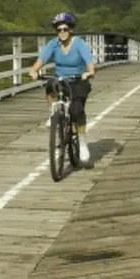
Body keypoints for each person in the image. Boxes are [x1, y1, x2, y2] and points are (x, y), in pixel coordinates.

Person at [28, 11, 98, 165]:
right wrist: (34, 70)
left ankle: (82, 142)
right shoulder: (54, 44)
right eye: (59, 30)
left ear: (71, 30)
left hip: (78, 79)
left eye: (65, 29)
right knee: (50, 85)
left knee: (76, 110)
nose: (62, 32)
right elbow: (42, 58)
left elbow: (89, 61)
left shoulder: (79, 43)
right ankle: (53, 114)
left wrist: (90, 72)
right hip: (61, 79)